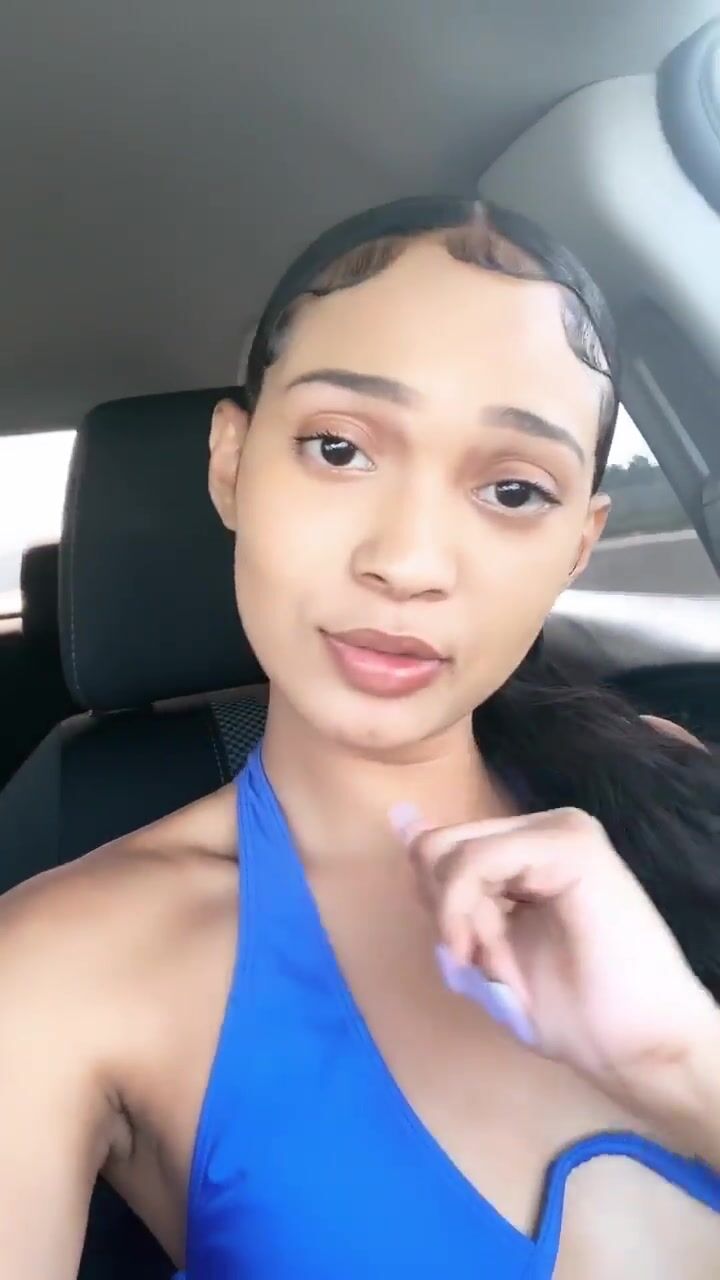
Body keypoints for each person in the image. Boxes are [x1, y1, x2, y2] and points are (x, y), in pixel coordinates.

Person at [2, 196, 720, 1280]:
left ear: (578, 545)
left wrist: (685, 1066)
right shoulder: (60, 961)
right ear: (232, 463)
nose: (409, 560)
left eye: (513, 488)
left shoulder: (667, 783)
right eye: (338, 448)